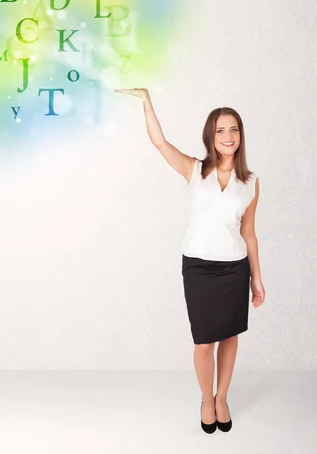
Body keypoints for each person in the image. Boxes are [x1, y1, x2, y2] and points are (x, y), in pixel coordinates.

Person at [115, 87, 266, 433]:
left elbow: (250, 233)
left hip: (234, 267)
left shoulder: (251, 182)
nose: (228, 136)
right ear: (210, 137)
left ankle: (223, 397)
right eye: (220, 130)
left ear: (241, 136)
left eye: (234, 129)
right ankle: (206, 398)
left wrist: (256, 278)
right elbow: (161, 144)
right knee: (203, 341)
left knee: (230, 336)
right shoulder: (195, 170)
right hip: (198, 267)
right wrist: (147, 102)